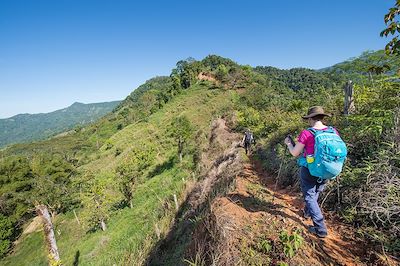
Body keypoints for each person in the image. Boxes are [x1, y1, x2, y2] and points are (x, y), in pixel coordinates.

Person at [284, 106, 338, 238]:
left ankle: (320, 229)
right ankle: (308, 213)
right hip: (327, 169)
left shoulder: (307, 133)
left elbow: (295, 153)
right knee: (316, 192)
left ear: (310, 119)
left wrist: (289, 144)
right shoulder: (333, 131)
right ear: (323, 117)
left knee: (309, 196)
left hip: (309, 169)